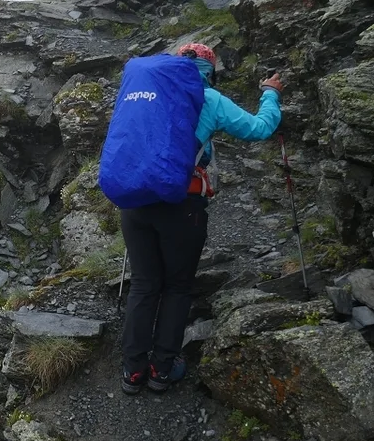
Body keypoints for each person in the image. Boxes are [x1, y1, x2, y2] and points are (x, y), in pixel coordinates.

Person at [118, 43, 283, 394]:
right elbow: (259, 129)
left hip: (135, 202)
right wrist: (270, 94)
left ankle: (133, 372)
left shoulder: (148, 92)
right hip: (182, 205)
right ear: (211, 70)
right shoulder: (208, 97)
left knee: (145, 284)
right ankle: (162, 369)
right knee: (177, 286)